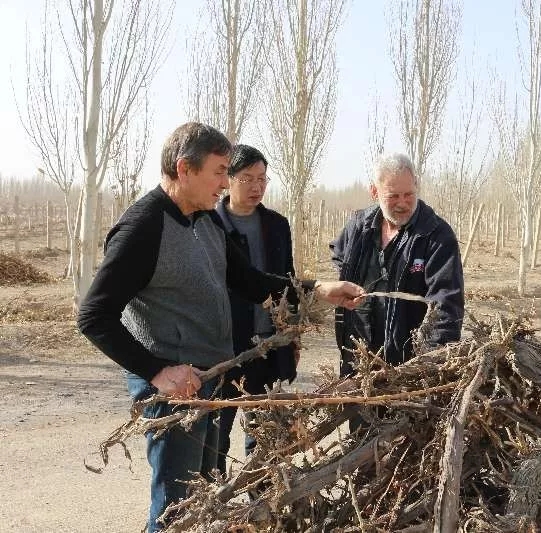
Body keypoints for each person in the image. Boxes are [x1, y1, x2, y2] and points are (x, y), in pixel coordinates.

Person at [77, 122, 363, 533]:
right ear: (184, 169)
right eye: (219, 171)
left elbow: (249, 281)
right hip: (174, 390)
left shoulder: (206, 220)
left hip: (211, 378)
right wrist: (158, 372)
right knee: (177, 509)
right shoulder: (143, 229)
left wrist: (319, 289)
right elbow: (94, 317)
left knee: (207, 495)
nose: (225, 181)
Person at [330, 152, 465, 382]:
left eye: (408, 194)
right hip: (358, 366)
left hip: (408, 373)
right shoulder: (359, 227)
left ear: (417, 186)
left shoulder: (436, 236)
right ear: (375, 192)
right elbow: (340, 258)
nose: (402, 203)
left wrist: (428, 369)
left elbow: (446, 309)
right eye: (393, 196)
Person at [213, 144, 298, 474]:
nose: (256, 187)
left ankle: (262, 514)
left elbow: (287, 283)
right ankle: (212, 512)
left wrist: (291, 337)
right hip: (223, 351)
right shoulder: (209, 224)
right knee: (213, 440)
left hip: (268, 347)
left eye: (262, 179)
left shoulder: (277, 225)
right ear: (228, 178)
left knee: (265, 442)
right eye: (247, 178)